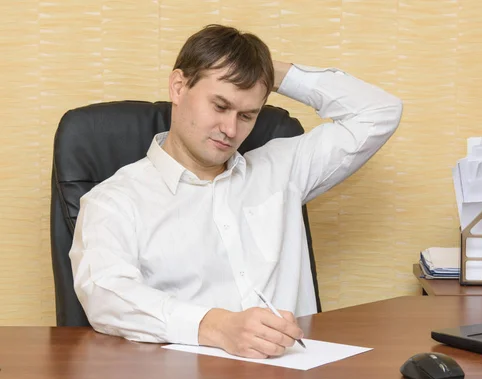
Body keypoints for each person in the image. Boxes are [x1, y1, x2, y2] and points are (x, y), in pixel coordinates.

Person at [69, 24, 402, 359]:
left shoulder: (283, 169)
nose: (230, 129)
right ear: (179, 87)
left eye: (246, 115)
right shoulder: (114, 200)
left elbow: (379, 112)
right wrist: (214, 326)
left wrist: (270, 71)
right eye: (219, 106)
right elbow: (105, 293)